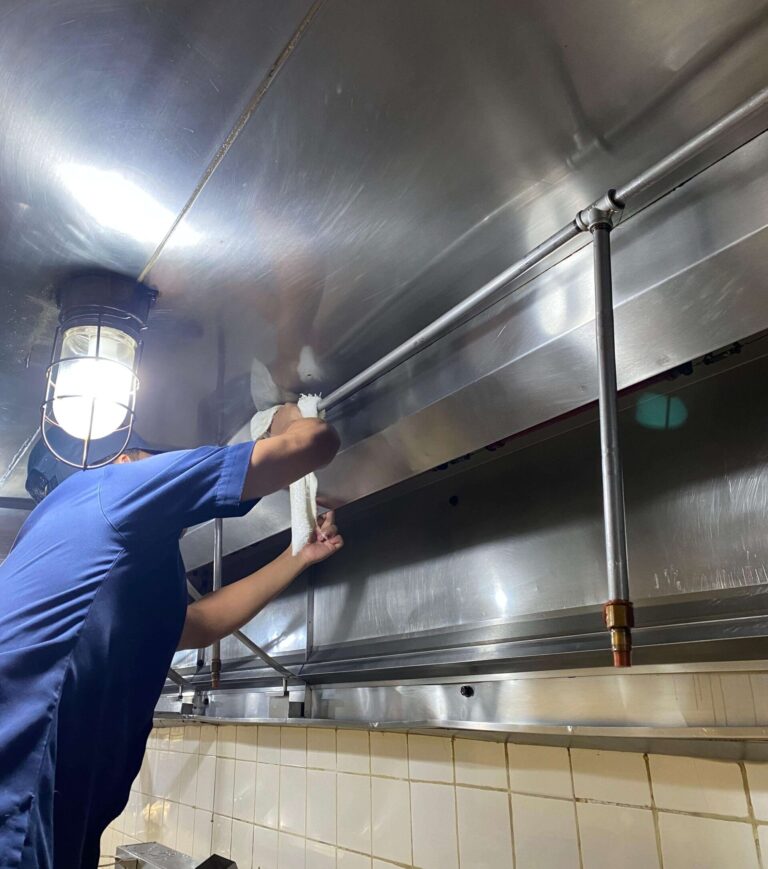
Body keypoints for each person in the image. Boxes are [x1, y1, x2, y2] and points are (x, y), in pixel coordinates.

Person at [0, 404, 342, 869]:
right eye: (156, 458)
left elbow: (194, 625)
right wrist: (282, 415)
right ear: (124, 461)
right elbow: (313, 443)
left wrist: (297, 557)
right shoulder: (113, 487)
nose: (169, 466)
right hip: (21, 807)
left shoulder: (84, 550)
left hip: (56, 812)